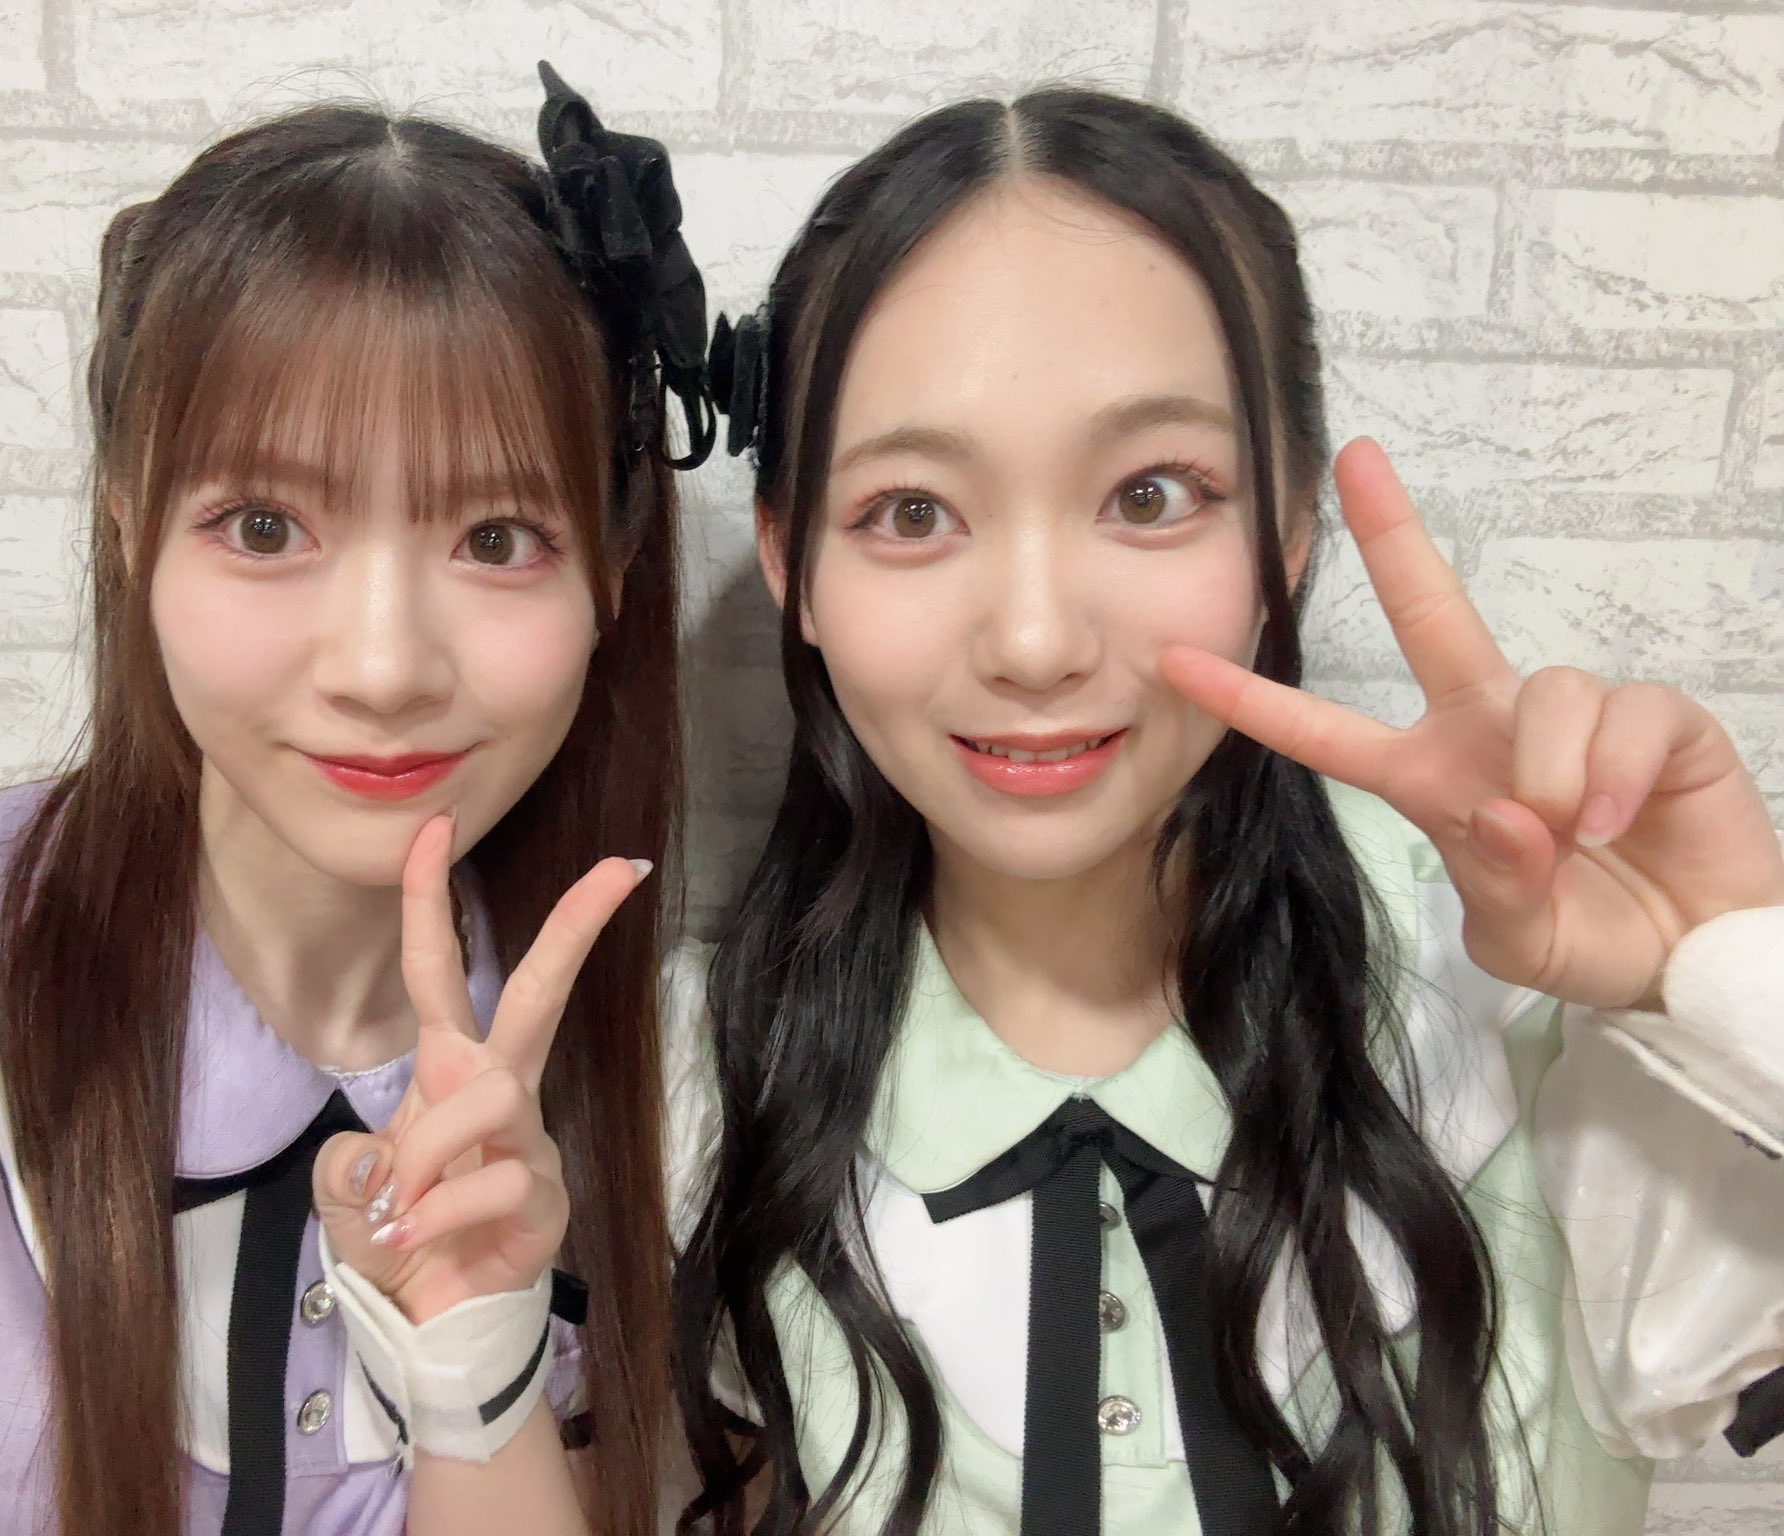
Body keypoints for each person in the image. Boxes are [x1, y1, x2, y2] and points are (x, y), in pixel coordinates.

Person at [671, 86, 1784, 1536]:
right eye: (912, 511)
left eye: (1150, 495)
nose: (1035, 641)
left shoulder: (1529, 1023)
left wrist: (1728, 976)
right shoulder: (712, 1084)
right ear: (789, 564)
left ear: (1292, 526)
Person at [0, 64, 711, 1536]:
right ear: (130, 520)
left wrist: (475, 1369)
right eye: (265, 526)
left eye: (497, 536)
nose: (382, 666)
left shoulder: (648, 1094)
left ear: (614, 569)